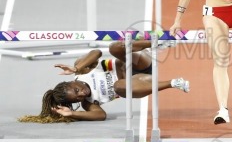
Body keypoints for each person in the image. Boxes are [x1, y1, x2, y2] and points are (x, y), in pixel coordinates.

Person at [18, 40, 190, 123]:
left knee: (114, 48)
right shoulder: (88, 103)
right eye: (77, 99)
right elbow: (101, 115)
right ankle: (174, 83)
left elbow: (96, 53)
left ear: (72, 82)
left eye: (77, 90)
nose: (82, 95)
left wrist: (77, 68)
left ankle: (156, 43)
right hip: (140, 81)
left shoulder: (82, 69)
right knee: (119, 86)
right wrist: (72, 114)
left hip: (138, 62)